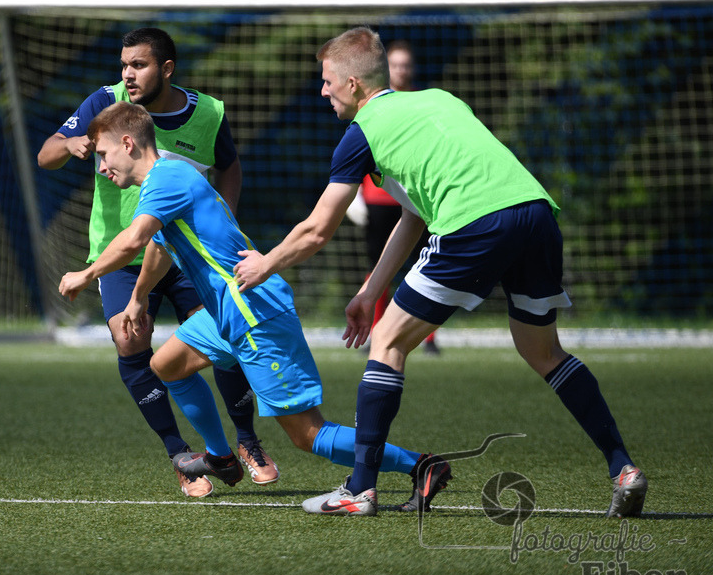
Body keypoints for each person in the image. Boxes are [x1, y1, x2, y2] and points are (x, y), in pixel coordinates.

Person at [233, 27, 647, 518]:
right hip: (535, 214)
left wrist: (265, 262)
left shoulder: (359, 135)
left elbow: (317, 230)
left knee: (388, 342)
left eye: (326, 82)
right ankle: (623, 469)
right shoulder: (441, 100)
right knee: (544, 351)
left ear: (353, 85)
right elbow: (415, 214)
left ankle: (360, 490)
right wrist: (370, 291)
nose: (322, 91)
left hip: (475, 223)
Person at [59, 101, 450, 512]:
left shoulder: (165, 179)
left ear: (127, 143)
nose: (101, 166)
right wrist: (138, 299)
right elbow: (158, 246)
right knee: (168, 365)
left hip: (254, 314)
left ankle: (421, 465)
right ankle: (221, 456)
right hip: (227, 313)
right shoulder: (167, 180)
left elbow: (135, 239)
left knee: (307, 434)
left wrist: (86, 276)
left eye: (103, 154)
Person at [38, 27, 278, 498]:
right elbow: (46, 153)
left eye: (139, 65)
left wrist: (222, 218)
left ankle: (246, 439)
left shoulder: (206, 112)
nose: (128, 74)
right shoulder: (103, 104)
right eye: (124, 64)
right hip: (119, 253)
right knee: (131, 343)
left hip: (185, 252)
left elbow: (228, 165)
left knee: (223, 337)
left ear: (166, 69)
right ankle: (181, 456)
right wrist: (68, 146)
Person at [354, 40, 438, 353]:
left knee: (426, 266)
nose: (401, 69)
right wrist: (353, 195)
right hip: (379, 199)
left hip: (418, 199)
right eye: (395, 64)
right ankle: (372, 331)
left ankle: (428, 338)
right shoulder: (373, 102)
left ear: (412, 68)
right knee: (378, 269)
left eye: (406, 64)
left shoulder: (424, 102)